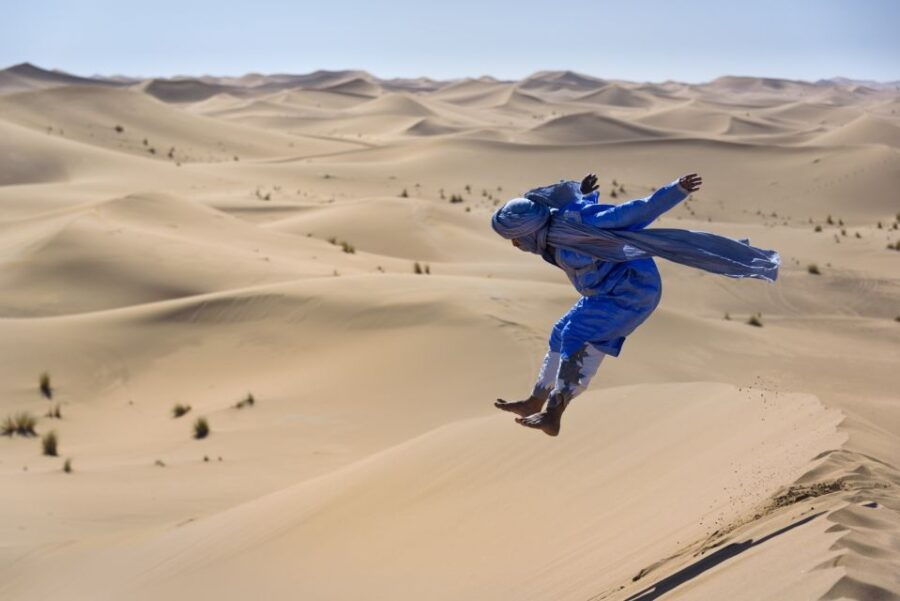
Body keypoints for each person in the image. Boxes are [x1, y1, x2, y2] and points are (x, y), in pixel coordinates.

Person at [491, 172, 778, 436]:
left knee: (576, 334)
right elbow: (582, 210)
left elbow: (633, 212)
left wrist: (676, 190)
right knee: (560, 332)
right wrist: (586, 194)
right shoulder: (554, 232)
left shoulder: (576, 223)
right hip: (602, 292)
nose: (515, 245)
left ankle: (554, 414)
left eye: (515, 238)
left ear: (530, 230)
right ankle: (535, 400)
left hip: (632, 291)